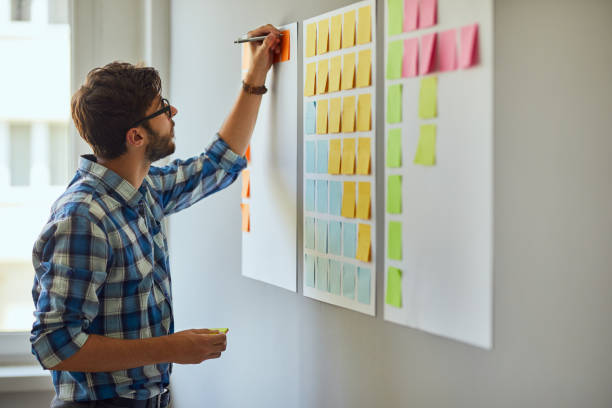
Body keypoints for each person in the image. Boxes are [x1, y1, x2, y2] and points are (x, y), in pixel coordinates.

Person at [30, 24, 282, 408]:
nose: (173, 111)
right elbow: (55, 344)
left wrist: (254, 78)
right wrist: (171, 348)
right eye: (162, 108)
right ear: (136, 136)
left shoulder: (141, 190)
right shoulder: (83, 218)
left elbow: (216, 165)